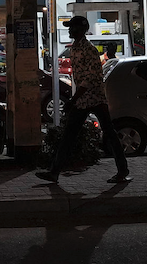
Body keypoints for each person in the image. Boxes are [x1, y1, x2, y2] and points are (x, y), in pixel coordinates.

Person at [37, 16, 131, 185]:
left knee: (108, 133)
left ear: (80, 30)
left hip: (94, 97)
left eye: (72, 27)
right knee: (70, 134)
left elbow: (90, 78)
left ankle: (122, 170)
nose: (69, 30)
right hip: (83, 99)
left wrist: (74, 99)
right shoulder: (74, 48)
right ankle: (54, 172)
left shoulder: (89, 50)